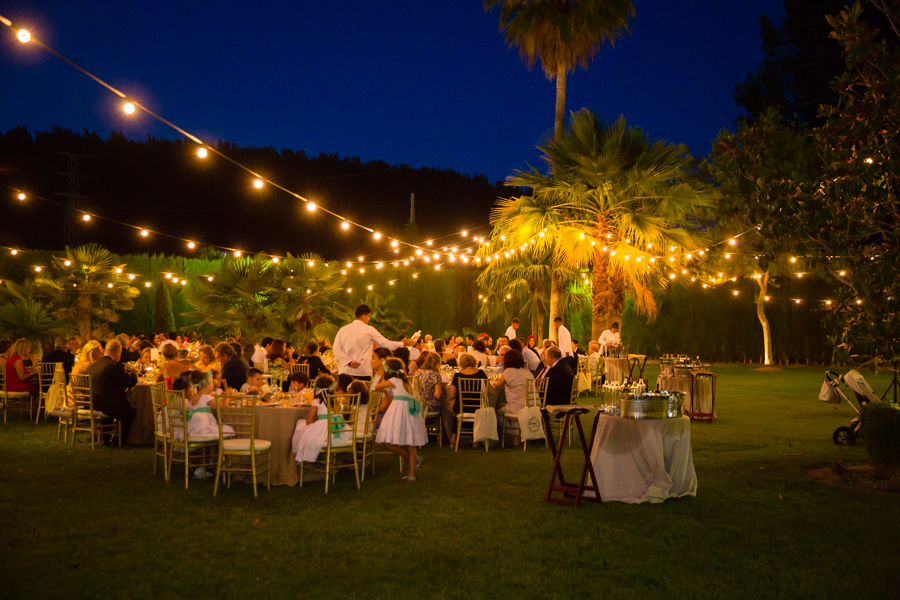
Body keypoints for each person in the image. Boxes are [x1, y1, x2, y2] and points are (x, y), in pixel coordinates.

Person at [374, 358, 427, 482]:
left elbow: (376, 387)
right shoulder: (406, 381)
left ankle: (412, 468)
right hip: (409, 411)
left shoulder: (392, 380)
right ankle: (412, 470)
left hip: (399, 410)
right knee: (410, 443)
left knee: (388, 441)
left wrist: (382, 376)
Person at [332, 304, 411, 381]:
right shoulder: (368, 330)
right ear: (364, 316)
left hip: (345, 372)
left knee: (345, 394)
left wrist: (349, 362)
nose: (369, 319)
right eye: (369, 316)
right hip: (363, 372)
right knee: (362, 394)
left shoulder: (343, 330)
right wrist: (404, 343)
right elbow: (386, 344)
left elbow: (336, 349)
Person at [84, 340, 139, 443]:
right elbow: (130, 383)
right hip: (108, 405)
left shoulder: (92, 366)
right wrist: (134, 374)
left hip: (94, 403)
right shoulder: (114, 365)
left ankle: (106, 439)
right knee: (130, 412)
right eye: (120, 353)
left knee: (112, 410)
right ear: (116, 352)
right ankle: (118, 441)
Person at [292, 374, 352, 464]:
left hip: (324, 432)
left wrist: (317, 419)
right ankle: (326, 459)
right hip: (339, 431)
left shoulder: (317, 401)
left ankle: (302, 457)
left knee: (300, 424)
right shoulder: (337, 401)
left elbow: (308, 421)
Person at [446, 352, 492, 447]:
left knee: (454, 408)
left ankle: (454, 437)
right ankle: (475, 439)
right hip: (478, 408)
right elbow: (491, 391)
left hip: (461, 409)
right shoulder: (481, 373)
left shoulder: (457, 375)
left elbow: (451, 394)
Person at [493, 349, 535, 444]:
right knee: (512, 406)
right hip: (532, 406)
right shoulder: (527, 371)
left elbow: (498, 385)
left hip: (517, 407)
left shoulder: (508, 372)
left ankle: (513, 435)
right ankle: (521, 434)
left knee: (497, 411)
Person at [5, 339, 39, 416]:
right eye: (28, 348)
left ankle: (33, 410)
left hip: (9, 385)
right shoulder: (18, 360)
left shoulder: (12, 358)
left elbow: (17, 370)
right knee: (39, 387)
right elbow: (22, 377)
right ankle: (34, 412)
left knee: (37, 384)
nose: (29, 350)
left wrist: (29, 369)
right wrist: (34, 372)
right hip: (15, 386)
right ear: (23, 349)